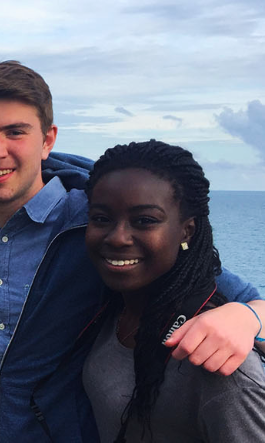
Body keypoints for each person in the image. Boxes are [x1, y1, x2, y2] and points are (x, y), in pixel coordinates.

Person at [0, 59, 264, 442]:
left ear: (48, 139)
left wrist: (244, 316)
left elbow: (215, 282)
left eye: (15, 132)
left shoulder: (97, 222)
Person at [82, 140, 265, 442]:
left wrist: (250, 315)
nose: (118, 237)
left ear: (187, 231)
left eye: (145, 221)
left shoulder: (220, 365)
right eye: (102, 218)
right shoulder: (114, 307)